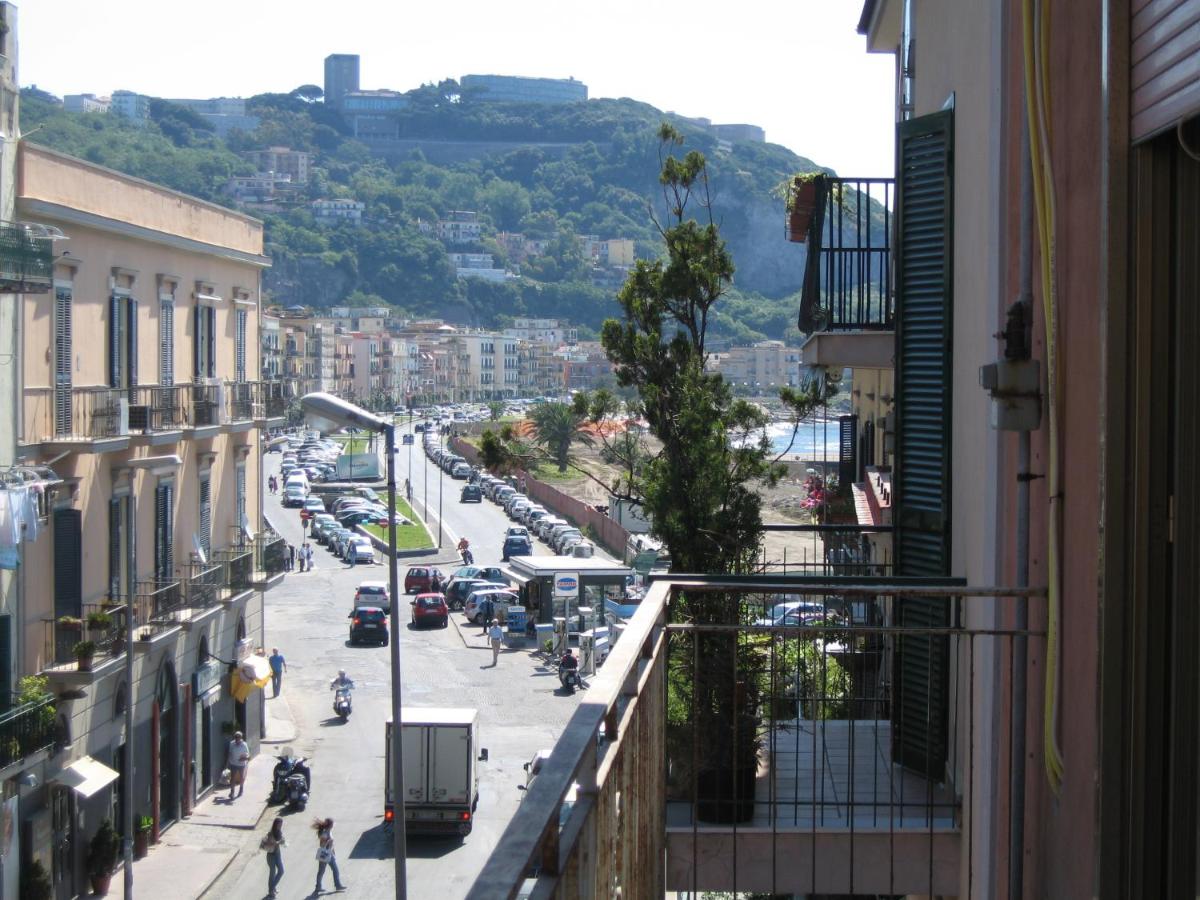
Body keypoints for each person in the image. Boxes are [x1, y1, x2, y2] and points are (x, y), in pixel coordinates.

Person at [312, 817, 346, 893]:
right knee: (322, 871)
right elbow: (322, 845)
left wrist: (333, 852)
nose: (333, 825)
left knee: (334, 870)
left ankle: (337, 885)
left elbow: (331, 844)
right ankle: (319, 887)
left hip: (330, 854)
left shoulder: (329, 831)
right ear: (330, 825)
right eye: (333, 824)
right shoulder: (324, 833)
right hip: (325, 854)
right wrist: (328, 842)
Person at [260, 817, 286, 898]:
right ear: (275, 824)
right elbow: (270, 844)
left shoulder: (279, 832)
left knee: (281, 871)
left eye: (281, 824)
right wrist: (278, 842)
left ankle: (272, 888)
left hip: (278, 854)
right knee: (272, 873)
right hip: (271, 856)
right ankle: (271, 890)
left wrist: (283, 841)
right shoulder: (270, 834)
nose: (280, 826)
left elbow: (281, 840)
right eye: (279, 824)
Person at [227, 731, 249, 800]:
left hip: (241, 764)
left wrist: (244, 758)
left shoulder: (244, 744)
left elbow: (248, 755)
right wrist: (227, 763)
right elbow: (229, 753)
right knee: (232, 778)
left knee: (241, 777)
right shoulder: (232, 743)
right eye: (235, 737)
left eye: (238, 737)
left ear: (241, 738)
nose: (237, 738)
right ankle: (232, 792)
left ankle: (241, 789)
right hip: (233, 763)